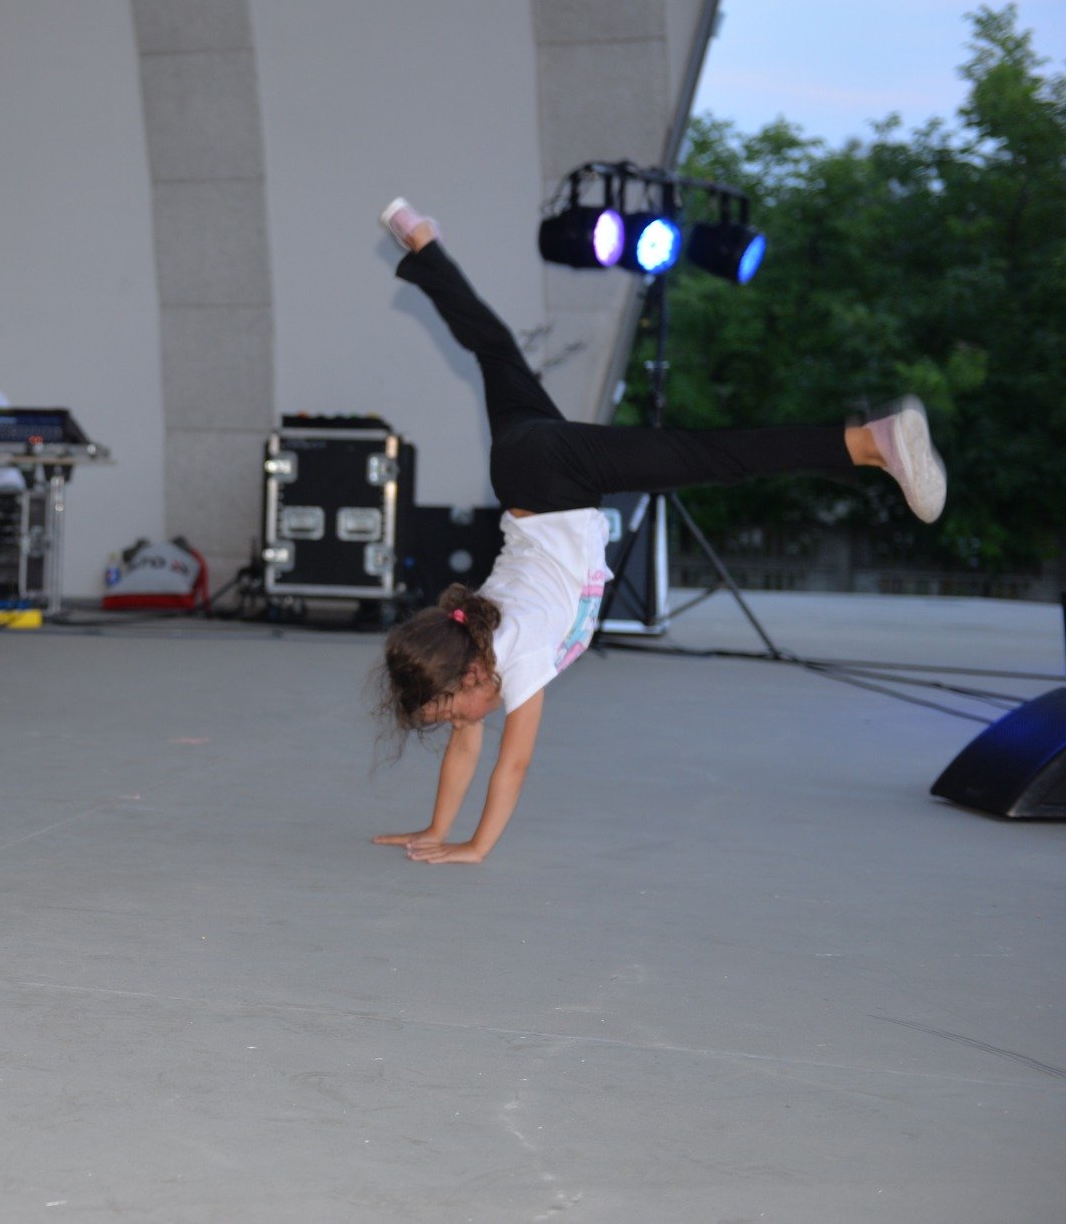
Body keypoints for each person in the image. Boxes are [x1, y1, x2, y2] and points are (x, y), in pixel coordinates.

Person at [368, 197, 947, 865]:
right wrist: (435, 830)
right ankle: (423, 241)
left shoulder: (517, 658)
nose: (461, 725)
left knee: (711, 458)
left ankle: (871, 441)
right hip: (521, 465)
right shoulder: (474, 643)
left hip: (554, 480)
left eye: (452, 711)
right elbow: (468, 742)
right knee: (492, 348)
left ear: (471, 674)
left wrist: (474, 846)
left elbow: (513, 763)